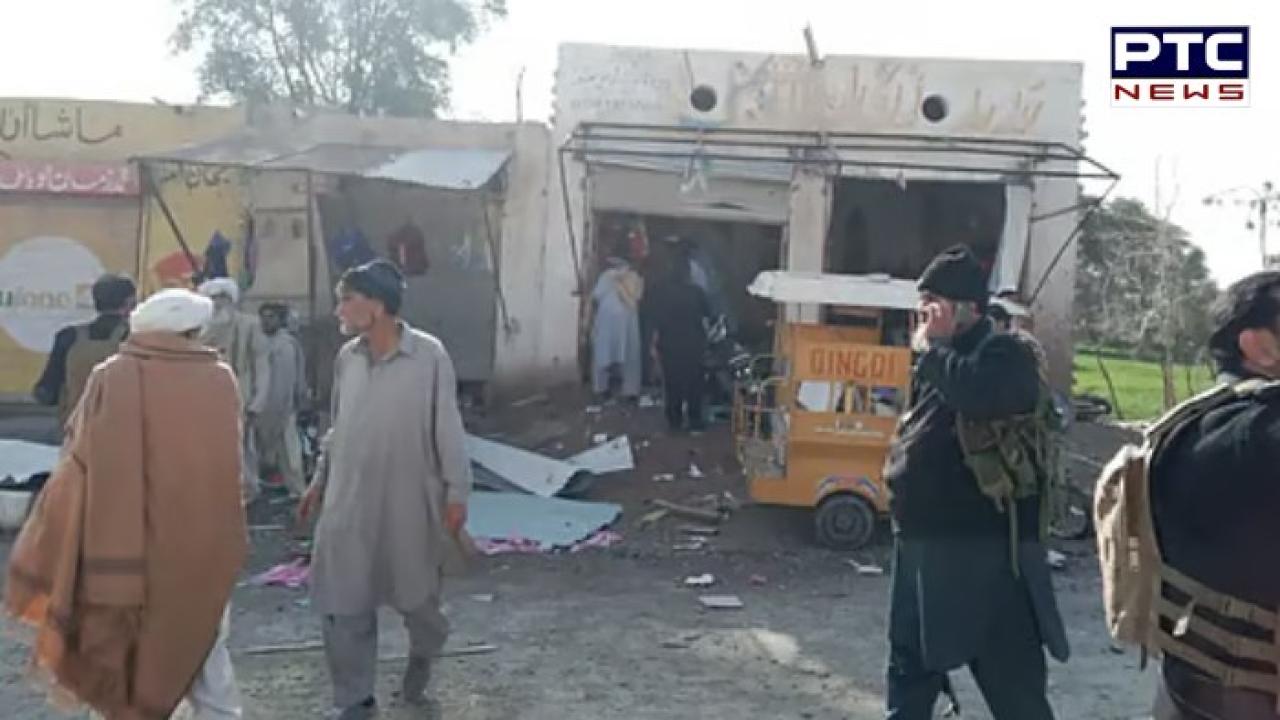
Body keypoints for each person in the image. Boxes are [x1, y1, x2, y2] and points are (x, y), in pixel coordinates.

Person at [5, 288, 248, 719]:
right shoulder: (218, 380)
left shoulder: (112, 376)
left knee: (117, 656)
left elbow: (80, 463)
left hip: (122, 551)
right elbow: (227, 471)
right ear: (193, 330)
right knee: (208, 663)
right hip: (200, 551)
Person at [883, 245, 1068, 720]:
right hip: (922, 544)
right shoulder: (938, 360)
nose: (924, 318)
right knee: (910, 668)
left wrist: (934, 349)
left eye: (935, 307)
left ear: (968, 309)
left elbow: (982, 395)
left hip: (985, 552)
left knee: (1011, 682)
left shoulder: (1006, 354)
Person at [298, 259, 472, 720]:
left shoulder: (429, 356)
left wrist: (457, 493)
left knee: (418, 599)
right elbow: (338, 426)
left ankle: (424, 653)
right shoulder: (347, 358)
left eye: (347, 299)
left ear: (376, 305)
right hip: (348, 499)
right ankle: (355, 701)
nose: (339, 309)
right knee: (343, 600)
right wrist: (319, 480)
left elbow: (448, 428)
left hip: (407, 500)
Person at [1147, 271, 1280, 718]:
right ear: (1259, 346)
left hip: (1188, 685)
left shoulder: (1190, 425)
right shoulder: (1260, 433)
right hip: (1251, 698)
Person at [32, 273, 137, 431]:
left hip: (75, 432)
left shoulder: (68, 337)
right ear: (129, 302)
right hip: (122, 431)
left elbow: (46, 393)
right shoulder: (136, 338)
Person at [198, 277, 271, 503]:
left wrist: (258, 402)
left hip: (240, 397)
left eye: (223, 298)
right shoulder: (200, 329)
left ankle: (247, 493)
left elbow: (262, 365)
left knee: (241, 447)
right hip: (205, 399)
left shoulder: (249, 325)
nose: (218, 303)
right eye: (213, 298)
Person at [650, 255, 712, 433]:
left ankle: (674, 421)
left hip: (669, 345)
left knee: (672, 384)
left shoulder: (663, 293)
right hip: (693, 344)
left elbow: (656, 320)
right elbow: (708, 315)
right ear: (688, 274)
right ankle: (695, 421)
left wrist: (654, 345)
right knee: (694, 384)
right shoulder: (697, 292)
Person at [256, 302, 309, 498]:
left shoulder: (286, 344)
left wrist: (297, 399)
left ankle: (297, 490)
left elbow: (293, 377)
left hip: (284, 407)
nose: (266, 321)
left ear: (280, 320)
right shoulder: (257, 341)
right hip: (259, 406)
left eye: (271, 317)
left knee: (289, 451)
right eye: (263, 317)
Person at [590, 255, 644, 402]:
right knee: (630, 355)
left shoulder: (606, 276)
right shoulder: (635, 277)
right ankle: (630, 390)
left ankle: (602, 388)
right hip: (627, 320)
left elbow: (596, 296)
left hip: (609, 321)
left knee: (604, 353)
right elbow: (638, 298)